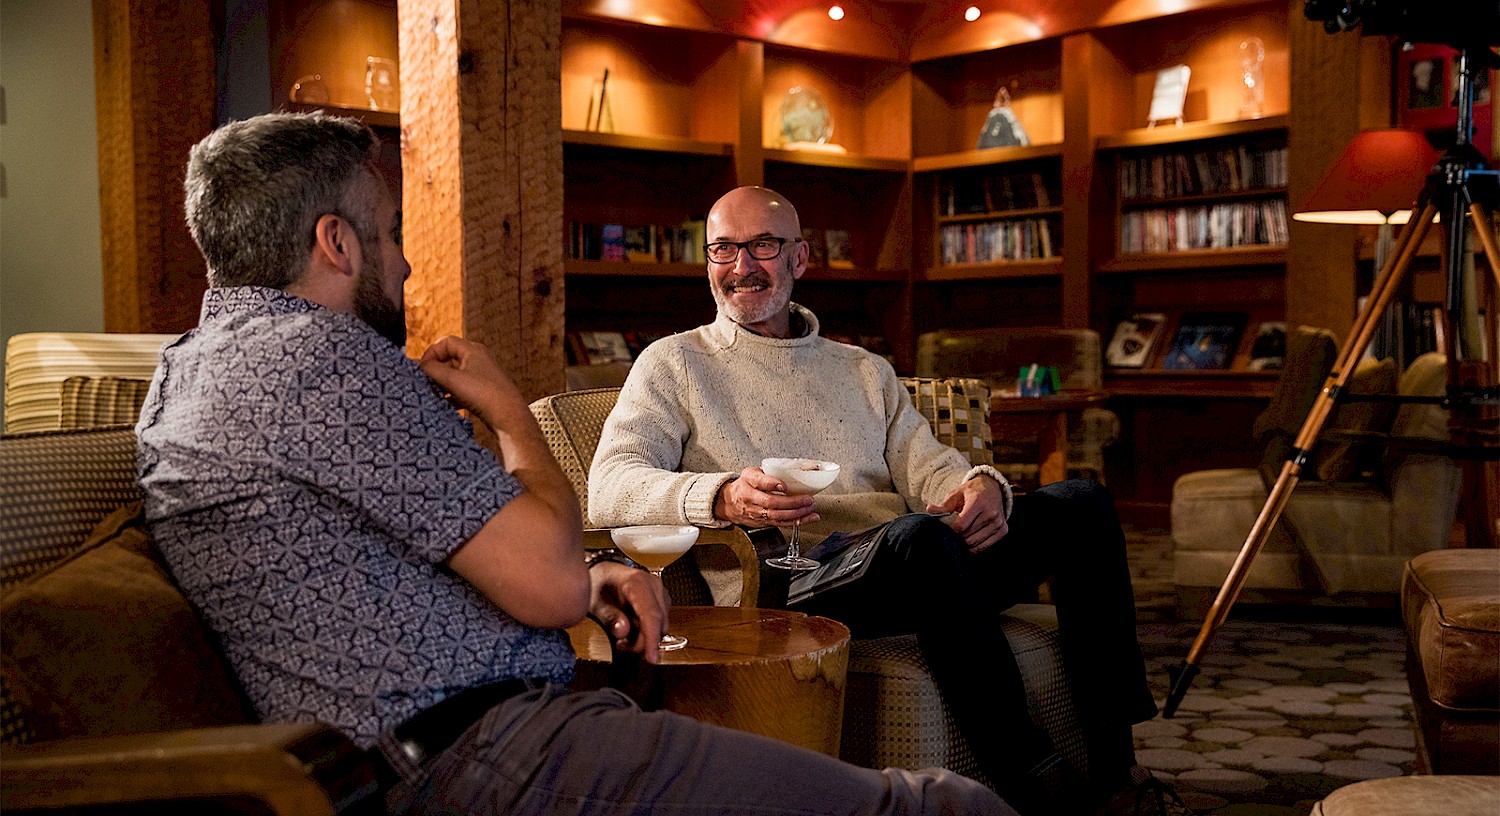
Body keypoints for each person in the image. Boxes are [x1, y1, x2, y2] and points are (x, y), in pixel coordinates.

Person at [136, 112, 1014, 816]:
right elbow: (551, 578)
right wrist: (514, 414)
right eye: (392, 232)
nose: (403, 260)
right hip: (485, 748)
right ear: (337, 242)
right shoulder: (328, 363)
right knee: (942, 805)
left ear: (799, 258)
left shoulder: (199, 366)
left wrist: (589, 570)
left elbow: (387, 553)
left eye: (767, 248)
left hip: (498, 720)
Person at [588, 185, 1182, 816]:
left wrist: (980, 486)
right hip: (792, 576)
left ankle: (1119, 770)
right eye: (723, 249)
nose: (741, 267)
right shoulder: (674, 362)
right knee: (921, 541)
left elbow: (930, 470)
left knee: (1082, 504)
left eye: (762, 246)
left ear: (799, 259)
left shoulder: (863, 370)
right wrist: (721, 495)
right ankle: (1039, 787)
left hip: (916, 565)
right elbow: (610, 485)